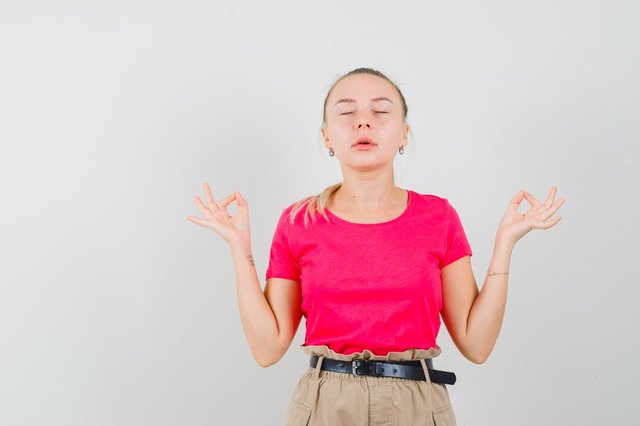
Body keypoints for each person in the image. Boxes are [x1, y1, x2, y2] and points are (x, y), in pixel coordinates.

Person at [186, 67, 565, 426]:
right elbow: (267, 349)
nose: (363, 122)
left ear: (403, 134)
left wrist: (505, 244)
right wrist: (239, 248)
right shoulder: (299, 221)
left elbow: (476, 344)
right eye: (346, 112)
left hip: (416, 404)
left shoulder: (439, 217)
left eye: (380, 111)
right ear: (326, 137)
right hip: (325, 404)